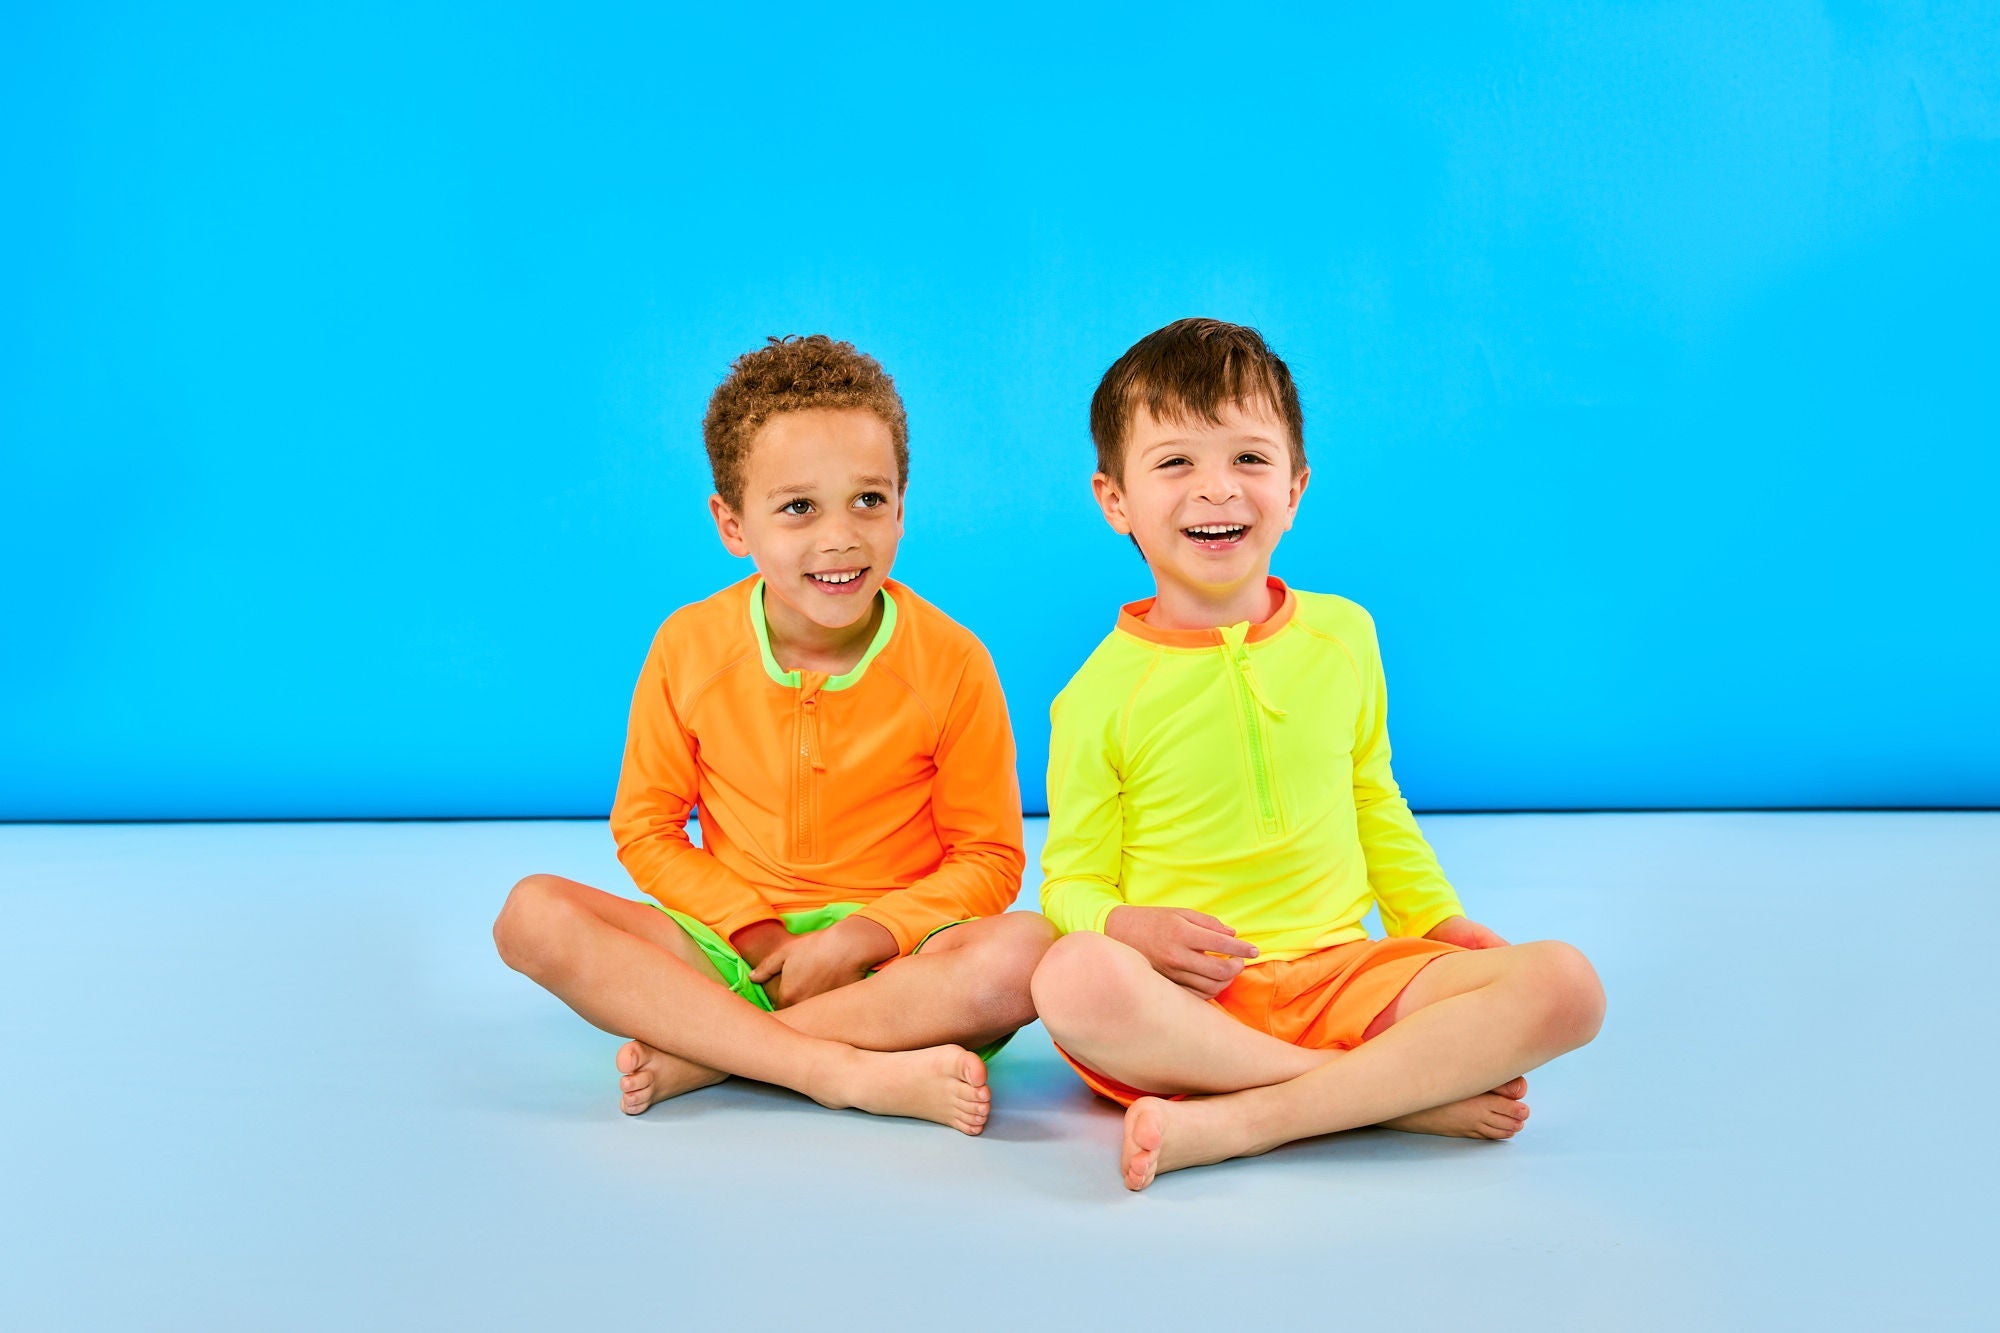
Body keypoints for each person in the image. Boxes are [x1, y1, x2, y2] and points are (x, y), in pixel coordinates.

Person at [1030, 318, 1605, 1187]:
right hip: (1191, 1010)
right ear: (1115, 501)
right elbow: (1069, 884)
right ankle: (1384, 1096)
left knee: (1569, 985)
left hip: (1345, 979)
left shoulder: (1345, 636)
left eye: (1249, 460)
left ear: (1295, 488)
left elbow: (1375, 796)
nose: (1216, 490)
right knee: (1070, 976)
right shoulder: (1096, 696)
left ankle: (1254, 1116)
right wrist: (1127, 928)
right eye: (1176, 463)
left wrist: (1435, 922)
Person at [494, 334, 1052, 1135]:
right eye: (799, 507)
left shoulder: (954, 660)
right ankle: (836, 1068)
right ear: (732, 522)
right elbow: (646, 829)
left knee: (1027, 953)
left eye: (870, 499)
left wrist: (863, 935)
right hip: (730, 954)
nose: (840, 537)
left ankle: (718, 1052)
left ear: (903, 505)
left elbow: (991, 856)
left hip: (889, 970)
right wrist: (756, 931)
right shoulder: (687, 646)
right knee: (531, 913)